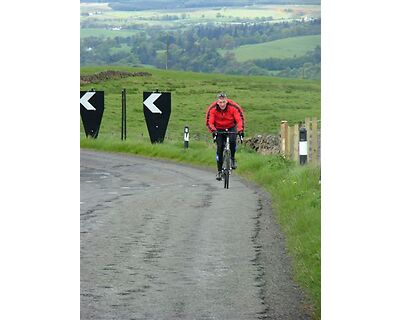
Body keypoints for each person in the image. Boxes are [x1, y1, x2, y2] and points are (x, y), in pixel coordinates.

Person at [205, 92, 245, 181]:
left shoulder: (233, 107)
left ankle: (232, 158)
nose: (222, 104)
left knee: (233, 141)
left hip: (231, 126)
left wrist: (240, 130)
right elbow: (209, 122)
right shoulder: (213, 108)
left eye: (224, 102)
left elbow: (239, 119)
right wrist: (213, 131)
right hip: (218, 128)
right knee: (219, 148)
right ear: (217, 102)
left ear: (226, 101)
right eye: (220, 102)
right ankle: (219, 171)